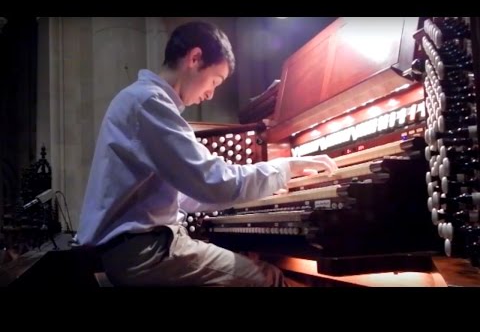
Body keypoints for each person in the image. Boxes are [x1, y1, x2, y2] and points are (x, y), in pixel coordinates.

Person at [76, 20, 338, 287]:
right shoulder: (149, 103)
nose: (211, 94)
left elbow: (189, 196)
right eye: (215, 80)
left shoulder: (145, 101)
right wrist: (284, 169)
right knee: (268, 279)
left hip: (135, 249)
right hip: (144, 252)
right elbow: (211, 182)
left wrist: (262, 194)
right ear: (195, 58)